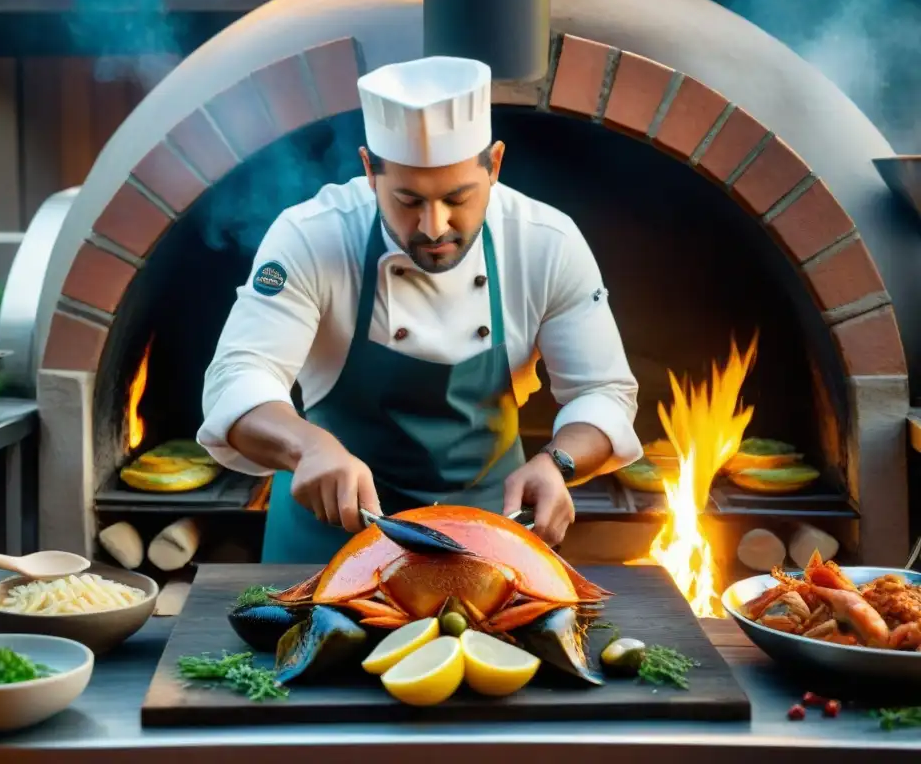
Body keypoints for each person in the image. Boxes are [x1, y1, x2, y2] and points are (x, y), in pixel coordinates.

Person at [198, 55, 641, 563]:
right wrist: (306, 447)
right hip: (331, 537)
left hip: (487, 539)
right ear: (369, 171)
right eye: (408, 200)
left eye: (458, 198)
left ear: (494, 164)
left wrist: (557, 462)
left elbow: (602, 391)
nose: (434, 226)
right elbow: (238, 378)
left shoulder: (546, 242)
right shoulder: (311, 235)